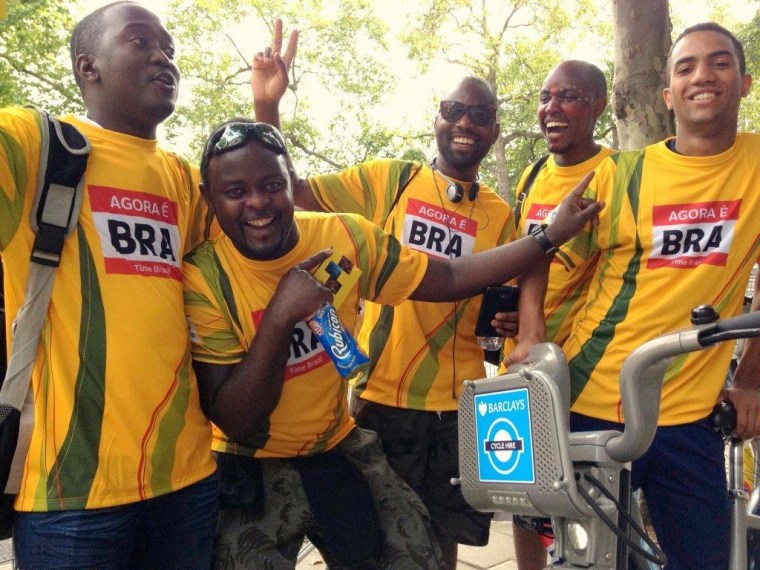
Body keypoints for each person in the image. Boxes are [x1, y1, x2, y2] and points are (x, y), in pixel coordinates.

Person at [184, 118, 602, 568]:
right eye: (235, 192)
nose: (258, 203)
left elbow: (449, 276)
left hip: (334, 444)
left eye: (272, 185)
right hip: (250, 462)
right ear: (210, 198)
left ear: (291, 182)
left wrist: (549, 236)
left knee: (416, 554)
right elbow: (237, 420)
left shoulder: (345, 236)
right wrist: (280, 317)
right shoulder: (204, 277)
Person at [251, 22, 549, 566]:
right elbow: (292, 194)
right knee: (376, 542)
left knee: (444, 540)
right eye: (454, 110)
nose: (465, 123)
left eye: (480, 116)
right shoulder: (390, 181)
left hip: (464, 404)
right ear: (436, 118)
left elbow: (508, 291)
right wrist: (266, 108)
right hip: (382, 397)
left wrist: (511, 323)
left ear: (494, 133)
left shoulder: (501, 215)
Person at [0, 2, 218, 568]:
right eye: (142, 41)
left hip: (188, 478)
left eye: (168, 47)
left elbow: (262, 234)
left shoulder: (182, 178)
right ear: (87, 66)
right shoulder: (35, 144)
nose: (163, 56)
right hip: (70, 493)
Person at [558, 22, 760, 569]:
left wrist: (749, 378)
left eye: (720, 63)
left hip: (690, 416)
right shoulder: (618, 174)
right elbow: (546, 260)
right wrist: (529, 333)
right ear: (668, 95)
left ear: (744, 82)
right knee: (594, 562)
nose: (703, 76)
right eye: (686, 66)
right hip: (593, 402)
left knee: (706, 559)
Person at [502, 60, 613, 569]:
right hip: (525, 367)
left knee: (586, 503)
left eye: (567, 96)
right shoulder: (531, 175)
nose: (550, 109)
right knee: (524, 498)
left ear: (598, 106)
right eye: (545, 97)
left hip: (583, 370)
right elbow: (530, 256)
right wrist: (516, 320)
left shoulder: (618, 175)